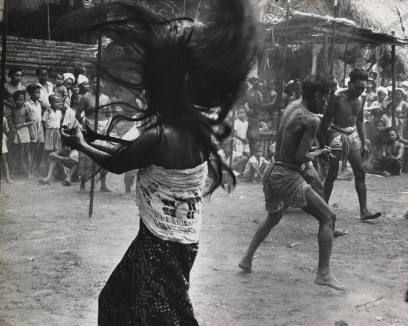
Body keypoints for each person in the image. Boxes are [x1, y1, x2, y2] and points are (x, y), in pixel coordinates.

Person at [60, 0, 256, 324]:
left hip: (163, 244)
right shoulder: (192, 127)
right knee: (116, 302)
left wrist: (82, 144)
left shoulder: (163, 135)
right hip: (170, 239)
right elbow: (128, 152)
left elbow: (121, 163)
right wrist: (90, 139)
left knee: (164, 318)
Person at [239, 76, 343, 290]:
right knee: (328, 217)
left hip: (271, 169)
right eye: (324, 99)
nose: (324, 104)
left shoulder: (292, 106)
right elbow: (300, 157)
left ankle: (246, 258)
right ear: (315, 96)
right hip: (286, 174)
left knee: (275, 216)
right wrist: (320, 152)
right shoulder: (311, 120)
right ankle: (323, 274)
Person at [322, 69, 381, 221]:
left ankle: (364, 210)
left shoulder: (362, 98)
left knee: (360, 172)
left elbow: (359, 121)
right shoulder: (336, 98)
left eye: (363, 88)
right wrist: (324, 143)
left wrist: (364, 142)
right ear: (349, 84)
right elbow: (326, 121)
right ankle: (321, 208)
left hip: (353, 135)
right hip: (336, 134)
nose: (360, 91)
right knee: (332, 174)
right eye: (358, 87)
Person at [76, 76, 112, 192]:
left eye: (100, 83)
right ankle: (82, 184)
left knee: (103, 155)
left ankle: (103, 185)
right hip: (89, 129)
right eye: (95, 82)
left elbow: (109, 115)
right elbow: (78, 114)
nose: (97, 85)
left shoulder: (106, 98)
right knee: (86, 156)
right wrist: (85, 124)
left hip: (103, 129)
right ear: (92, 84)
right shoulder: (85, 98)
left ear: (103, 85)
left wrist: (107, 127)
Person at [11, 90, 33, 177]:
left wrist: (22, 124)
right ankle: (12, 172)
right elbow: (12, 122)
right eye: (18, 99)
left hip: (25, 130)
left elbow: (32, 121)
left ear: (24, 100)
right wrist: (14, 129)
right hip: (17, 131)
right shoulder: (13, 109)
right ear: (14, 100)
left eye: (21, 99)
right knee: (16, 152)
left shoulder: (25, 108)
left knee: (27, 152)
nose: (19, 101)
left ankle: (29, 173)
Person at [25, 84, 45, 176]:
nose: (39, 95)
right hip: (32, 128)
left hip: (39, 127)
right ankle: (29, 171)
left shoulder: (39, 103)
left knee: (38, 149)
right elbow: (27, 118)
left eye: (39, 93)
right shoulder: (27, 104)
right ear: (30, 93)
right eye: (36, 93)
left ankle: (35, 168)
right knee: (31, 150)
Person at [42, 94, 63, 172]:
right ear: (50, 102)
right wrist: (45, 134)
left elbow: (59, 123)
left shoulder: (59, 112)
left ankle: (55, 171)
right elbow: (43, 122)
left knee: (56, 151)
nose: (58, 103)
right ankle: (47, 170)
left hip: (57, 132)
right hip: (49, 132)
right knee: (49, 152)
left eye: (59, 102)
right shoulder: (47, 111)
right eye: (56, 102)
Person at [2, 116, 12, 183]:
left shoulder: (4, 118)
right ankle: (6, 177)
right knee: (4, 159)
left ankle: (7, 177)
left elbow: (7, 130)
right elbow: (7, 130)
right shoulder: (4, 118)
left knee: (4, 159)